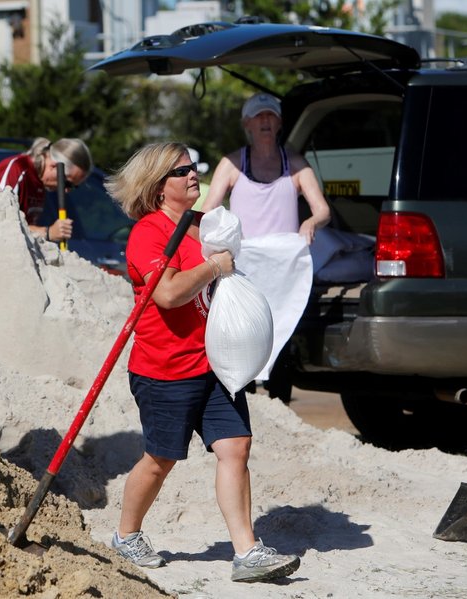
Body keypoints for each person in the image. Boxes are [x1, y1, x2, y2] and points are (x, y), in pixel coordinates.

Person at [104, 141, 301, 583]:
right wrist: (214, 267)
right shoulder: (148, 233)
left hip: (215, 364)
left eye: (193, 167)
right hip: (164, 369)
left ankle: (247, 551)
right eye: (181, 171)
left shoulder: (203, 226)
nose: (192, 175)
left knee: (236, 446)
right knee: (160, 459)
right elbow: (169, 293)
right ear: (158, 187)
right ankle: (126, 535)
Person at [201, 92, 331, 402]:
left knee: (280, 335)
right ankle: (244, 405)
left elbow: (323, 210)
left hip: (284, 269)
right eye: (259, 116)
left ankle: (279, 406)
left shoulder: (296, 164)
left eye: (270, 116)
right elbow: (209, 210)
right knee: (244, 335)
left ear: (280, 123)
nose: (265, 121)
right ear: (246, 123)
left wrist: (310, 223)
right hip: (244, 265)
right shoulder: (233, 163)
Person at [0, 137, 93, 243]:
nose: (66, 191)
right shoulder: (17, 169)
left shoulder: (41, 182)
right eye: (67, 183)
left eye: (74, 186)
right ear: (53, 166)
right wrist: (47, 233)